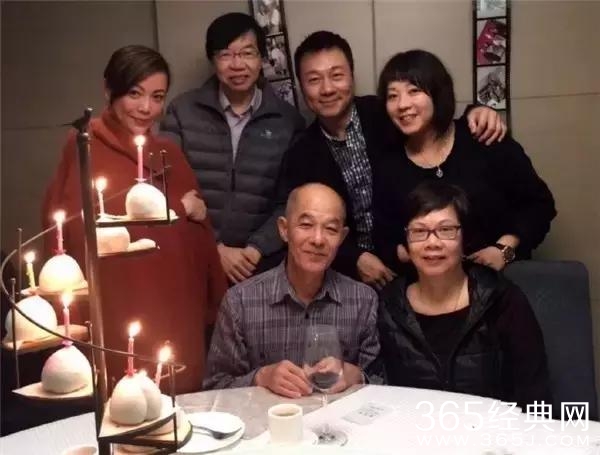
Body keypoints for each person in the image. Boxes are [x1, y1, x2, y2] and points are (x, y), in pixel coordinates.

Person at [42, 45, 227, 393]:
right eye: (135, 94)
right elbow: (78, 230)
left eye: (157, 97)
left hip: (176, 306)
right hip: (119, 302)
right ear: (108, 90)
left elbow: (199, 231)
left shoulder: (168, 152)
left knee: (180, 402)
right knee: (127, 399)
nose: (146, 108)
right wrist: (179, 209)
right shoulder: (85, 146)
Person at [278, 31, 507, 290]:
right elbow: (303, 224)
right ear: (301, 86)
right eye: (314, 79)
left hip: (418, 259)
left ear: (352, 76)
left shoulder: (388, 113)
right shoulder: (301, 153)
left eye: (337, 75)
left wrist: (478, 112)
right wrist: (355, 258)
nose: (327, 88)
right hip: (345, 272)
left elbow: (436, 122)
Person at [373, 50, 556, 273]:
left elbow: (538, 205)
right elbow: (384, 236)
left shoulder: (483, 137)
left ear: (438, 93)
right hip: (427, 284)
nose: (402, 104)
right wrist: (410, 254)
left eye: (414, 91)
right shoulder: (388, 165)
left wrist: (503, 250)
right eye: (393, 96)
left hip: (501, 279)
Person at [378, 181, 552, 409]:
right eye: (419, 231)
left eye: (446, 230)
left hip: (495, 429)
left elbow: (535, 396)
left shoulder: (501, 299)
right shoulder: (389, 304)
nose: (433, 243)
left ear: (464, 238)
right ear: (406, 242)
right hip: (413, 428)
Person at [161, 13, 305, 285]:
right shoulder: (182, 111)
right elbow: (168, 185)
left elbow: (291, 200)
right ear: (213, 60)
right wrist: (215, 246)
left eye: (247, 53)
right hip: (193, 257)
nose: (237, 65)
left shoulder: (287, 122)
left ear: (262, 59)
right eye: (226, 55)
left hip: (259, 266)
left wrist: (255, 250)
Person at [203, 183, 380, 398]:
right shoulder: (240, 301)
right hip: (266, 419)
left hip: (337, 419)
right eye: (306, 225)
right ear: (284, 230)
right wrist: (260, 377)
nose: (317, 239)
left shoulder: (363, 300)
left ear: (342, 238)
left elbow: (383, 384)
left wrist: (357, 376)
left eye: (331, 229)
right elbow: (214, 388)